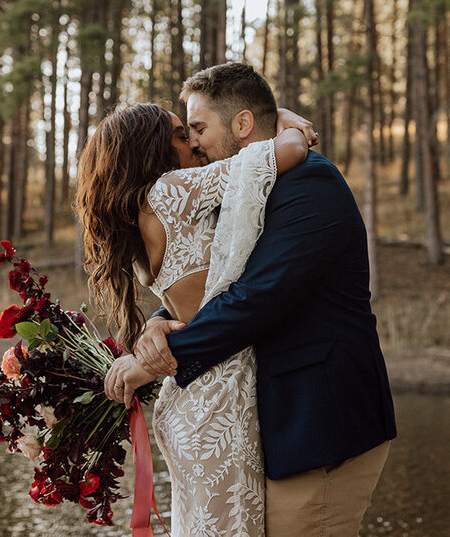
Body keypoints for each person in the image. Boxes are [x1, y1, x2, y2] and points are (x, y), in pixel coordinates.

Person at [106, 62, 397, 537]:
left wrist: (156, 362)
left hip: (319, 426)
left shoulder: (309, 184)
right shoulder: (239, 192)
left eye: (198, 128)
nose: (193, 143)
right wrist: (164, 318)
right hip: (272, 429)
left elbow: (257, 296)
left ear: (241, 124)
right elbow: (217, 277)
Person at [75, 97, 314, 535]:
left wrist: (156, 321)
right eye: (182, 136)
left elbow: (196, 297)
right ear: (153, 150)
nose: (195, 144)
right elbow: (292, 152)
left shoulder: (139, 219)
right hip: (220, 402)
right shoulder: (173, 190)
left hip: (192, 397)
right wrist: (287, 121)